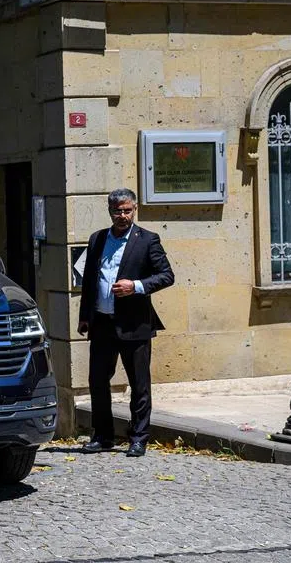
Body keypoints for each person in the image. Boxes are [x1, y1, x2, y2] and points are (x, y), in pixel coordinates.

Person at [76, 188, 174, 457]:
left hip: (135, 324)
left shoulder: (147, 240)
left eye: (127, 210)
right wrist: (85, 316)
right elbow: (90, 281)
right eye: (118, 210)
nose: (123, 215)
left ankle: (139, 437)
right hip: (102, 323)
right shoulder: (97, 239)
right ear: (110, 211)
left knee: (139, 384)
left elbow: (166, 276)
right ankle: (103, 436)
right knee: (97, 380)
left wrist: (137, 286)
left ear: (135, 210)